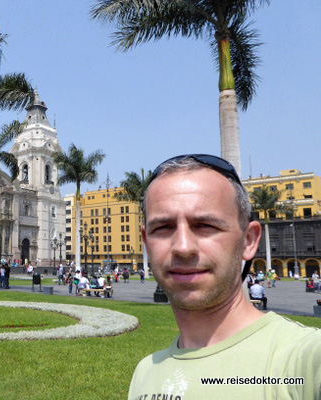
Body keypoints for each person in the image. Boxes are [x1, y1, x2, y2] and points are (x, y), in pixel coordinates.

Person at [128, 154, 320, 399]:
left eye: (206, 226)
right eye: (163, 228)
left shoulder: (306, 359)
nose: (183, 247)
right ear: (146, 242)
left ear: (248, 241)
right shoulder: (145, 372)